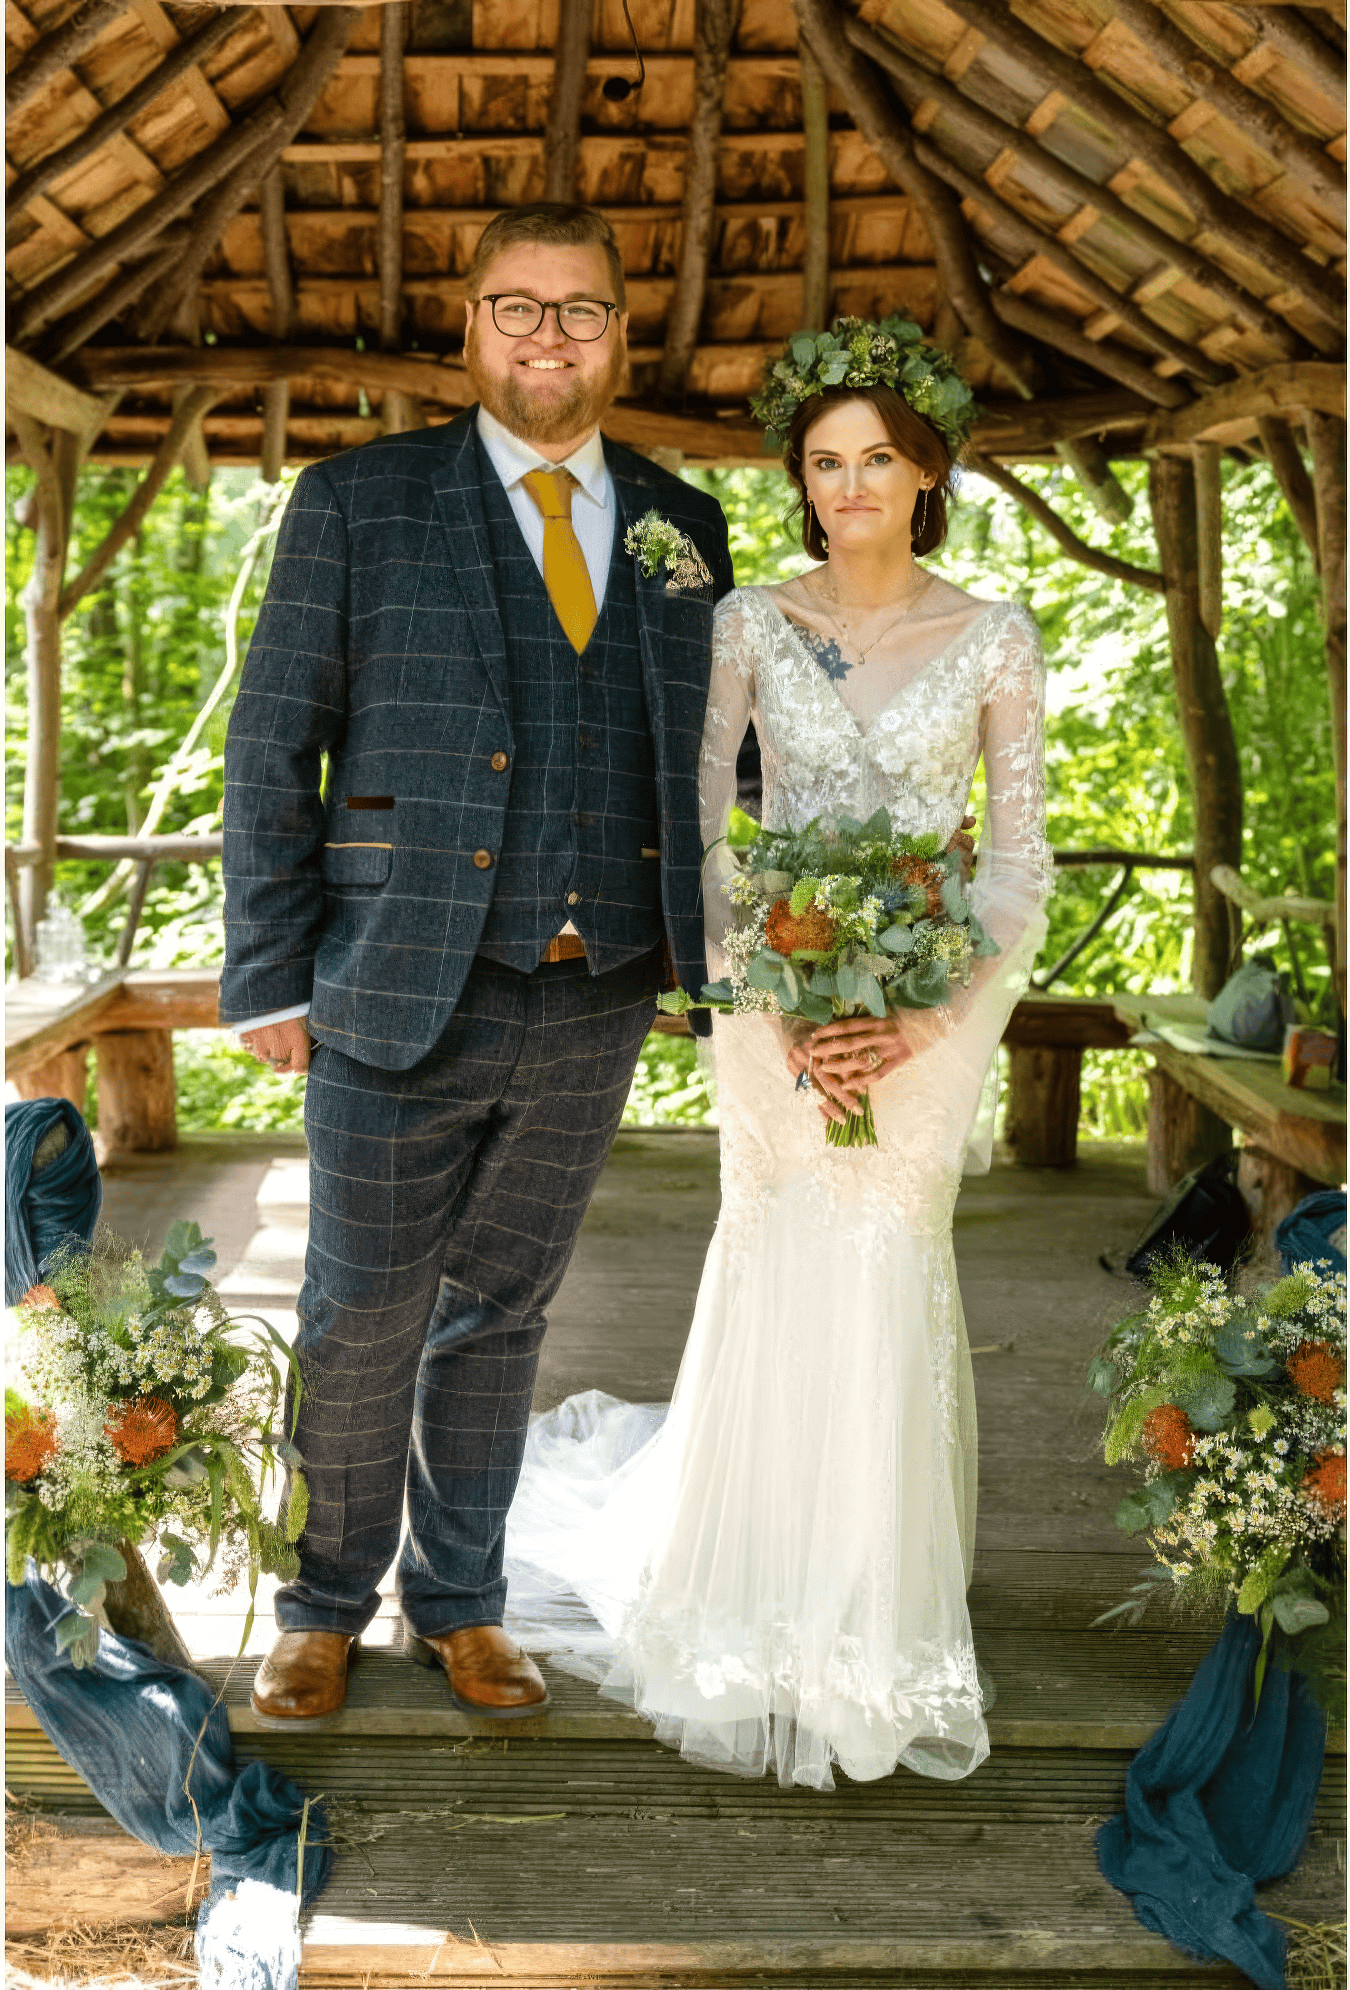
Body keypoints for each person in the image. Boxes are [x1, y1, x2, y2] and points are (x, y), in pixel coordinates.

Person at [501, 320, 1054, 1789]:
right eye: (825, 462)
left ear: (926, 470)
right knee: (771, 1254)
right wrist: (765, 992)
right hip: (770, 1008)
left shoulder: (996, 634)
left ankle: (871, 1620)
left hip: (926, 1014)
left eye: (878, 458)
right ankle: (738, 1596)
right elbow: (696, 825)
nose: (849, 485)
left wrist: (919, 1013)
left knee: (884, 1268)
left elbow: (1014, 866)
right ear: (798, 479)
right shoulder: (745, 622)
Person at [219, 202, 735, 1727]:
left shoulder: (678, 524)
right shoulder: (357, 502)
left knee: (504, 1315)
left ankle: (461, 1602)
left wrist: (722, 961)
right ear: (470, 325)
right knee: (357, 1310)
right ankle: (320, 1602)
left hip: (596, 990)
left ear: (620, 334)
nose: (548, 339)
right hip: (392, 977)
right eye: (519, 307)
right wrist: (268, 972)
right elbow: (272, 742)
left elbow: (716, 760)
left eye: (580, 312)